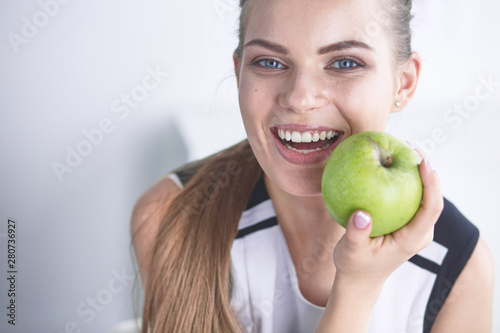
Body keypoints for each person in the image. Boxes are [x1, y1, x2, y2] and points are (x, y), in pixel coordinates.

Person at [131, 0, 494, 332]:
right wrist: (355, 288)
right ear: (239, 72)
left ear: (404, 82)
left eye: (344, 62)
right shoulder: (171, 219)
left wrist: (359, 284)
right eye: (270, 62)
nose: (300, 98)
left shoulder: (459, 268)